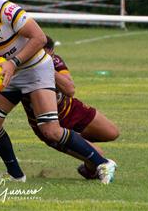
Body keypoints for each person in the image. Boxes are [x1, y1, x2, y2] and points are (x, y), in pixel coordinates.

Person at [0, 0, 117, 184]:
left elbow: (40, 38)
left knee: (50, 130)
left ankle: (102, 163)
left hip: (36, 69)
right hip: (10, 75)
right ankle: (16, 175)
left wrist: (13, 63)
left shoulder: (8, 11)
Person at [21, 35, 119, 179]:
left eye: (50, 55)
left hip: (71, 110)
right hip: (48, 124)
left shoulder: (54, 60)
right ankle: (88, 164)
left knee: (112, 132)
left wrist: (46, 68)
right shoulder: (22, 68)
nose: (50, 58)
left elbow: (70, 89)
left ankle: (79, 144)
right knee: (98, 155)